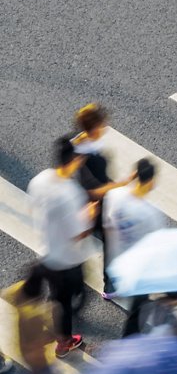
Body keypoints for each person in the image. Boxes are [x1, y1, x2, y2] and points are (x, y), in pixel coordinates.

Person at [28, 137, 93, 358]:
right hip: (66, 260)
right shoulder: (71, 195)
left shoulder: (40, 179)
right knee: (66, 299)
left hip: (46, 251)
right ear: (73, 160)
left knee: (63, 294)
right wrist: (89, 215)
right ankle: (63, 342)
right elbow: (78, 235)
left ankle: (56, 313)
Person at [2, 266, 74, 374]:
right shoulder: (35, 313)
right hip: (36, 358)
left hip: (23, 349)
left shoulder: (18, 290)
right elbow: (42, 340)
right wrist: (53, 331)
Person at [71, 105, 134, 297]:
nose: (105, 127)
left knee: (80, 241)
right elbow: (94, 188)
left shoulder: (79, 143)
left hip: (86, 201)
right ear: (95, 126)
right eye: (102, 124)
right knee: (109, 239)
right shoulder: (82, 153)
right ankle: (108, 285)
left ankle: (77, 280)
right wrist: (123, 184)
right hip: (92, 205)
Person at [103, 158, 165, 335]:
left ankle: (109, 290)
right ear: (152, 181)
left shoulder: (115, 195)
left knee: (111, 278)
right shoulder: (152, 215)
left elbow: (108, 223)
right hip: (136, 268)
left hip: (114, 255)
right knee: (139, 305)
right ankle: (130, 337)